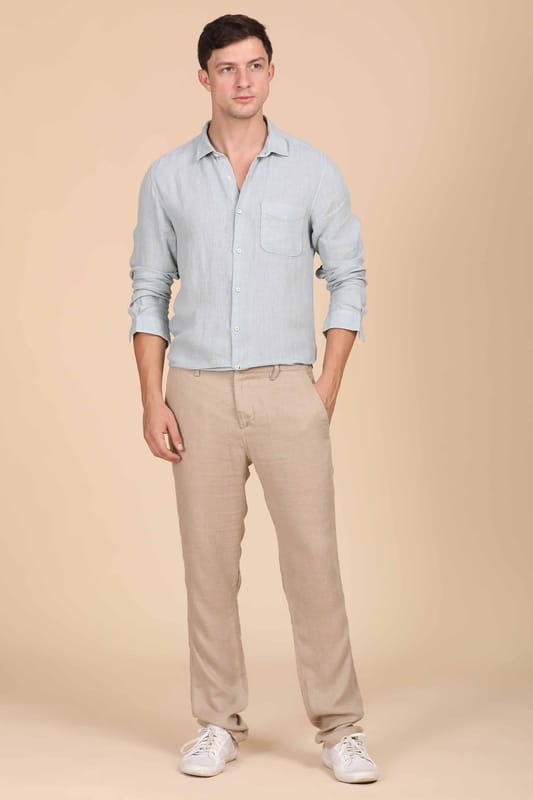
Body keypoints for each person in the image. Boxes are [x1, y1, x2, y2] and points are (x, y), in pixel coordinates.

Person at [127, 12, 379, 784]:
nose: (243, 80)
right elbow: (147, 290)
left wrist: (325, 385)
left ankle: (339, 728)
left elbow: (348, 277)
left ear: (271, 71)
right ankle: (216, 722)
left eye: (255, 65)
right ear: (203, 77)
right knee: (207, 568)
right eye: (227, 68)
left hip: (285, 389)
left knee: (313, 561)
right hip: (196, 393)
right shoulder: (168, 177)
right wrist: (152, 399)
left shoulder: (311, 171)